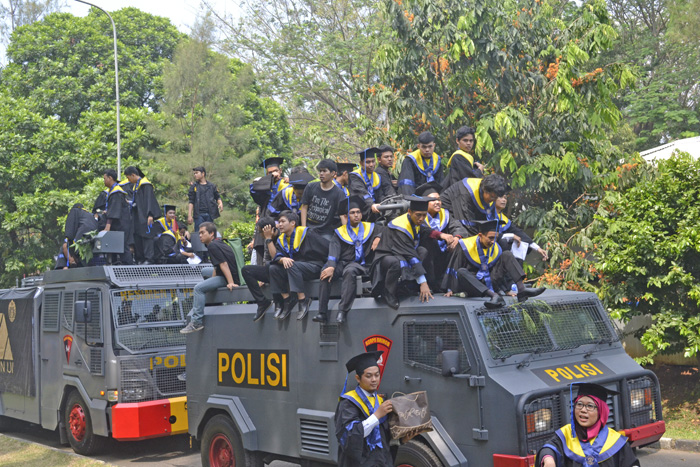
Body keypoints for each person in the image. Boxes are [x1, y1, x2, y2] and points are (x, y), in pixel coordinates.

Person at [370, 195, 454, 309]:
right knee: (395, 262)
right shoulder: (400, 226)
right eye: (418, 215)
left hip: (402, 253)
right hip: (387, 256)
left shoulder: (414, 220)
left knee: (422, 251)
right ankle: (388, 292)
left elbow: (425, 230)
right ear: (409, 211)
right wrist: (423, 282)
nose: (421, 219)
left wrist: (442, 235)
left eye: (424, 215)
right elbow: (410, 255)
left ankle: (409, 286)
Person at [443, 220, 545, 308]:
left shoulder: (496, 247)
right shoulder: (465, 245)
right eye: (490, 238)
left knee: (507, 254)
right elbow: (455, 266)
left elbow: (501, 271)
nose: (493, 241)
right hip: (474, 286)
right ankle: (494, 296)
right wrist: (450, 288)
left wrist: (506, 290)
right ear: (480, 235)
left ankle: (522, 290)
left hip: (491, 282)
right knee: (461, 272)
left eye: (495, 238)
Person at [314, 196, 383, 324]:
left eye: (358, 212)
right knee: (325, 271)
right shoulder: (339, 232)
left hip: (362, 264)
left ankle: (342, 311)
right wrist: (331, 267)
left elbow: (386, 230)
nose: (356, 215)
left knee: (350, 271)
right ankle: (322, 312)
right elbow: (333, 251)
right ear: (346, 216)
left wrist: (379, 237)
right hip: (343, 263)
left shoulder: (371, 227)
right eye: (352, 213)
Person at [535, 383, 640, 467]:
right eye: (579, 404)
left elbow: (631, 463)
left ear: (601, 411)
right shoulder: (566, 435)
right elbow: (549, 448)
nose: (583, 410)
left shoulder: (615, 441)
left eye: (590, 406)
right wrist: (548, 459)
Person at [335, 351, 395, 467]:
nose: (374, 379)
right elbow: (350, 437)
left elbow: (385, 438)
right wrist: (376, 416)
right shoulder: (348, 403)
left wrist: (402, 439)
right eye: (369, 376)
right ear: (358, 378)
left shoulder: (380, 401)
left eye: (377, 375)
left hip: (380, 462)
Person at [269, 210, 329, 321]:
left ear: (292, 223)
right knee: (273, 268)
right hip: (296, 270)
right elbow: (276, 257)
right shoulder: (281, 239)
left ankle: (302, 300)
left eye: (282, 221)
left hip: (314, 267)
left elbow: (326, 249)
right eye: (279, 222)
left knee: (292, 264)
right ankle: (287, 300)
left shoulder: (307, 233)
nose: (279, 225)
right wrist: (282, 258)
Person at [181, 222, 240, 333]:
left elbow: (224, 264)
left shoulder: (213, 246)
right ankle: (214, 300)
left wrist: (231, 282)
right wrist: (212, 282)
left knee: (198, 289)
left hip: (228, 277)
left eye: (203, 233)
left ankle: (196, 322)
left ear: (212, 233)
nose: (200, 236)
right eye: (199, 233)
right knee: (204, 271)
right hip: (225, 274)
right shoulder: (218, 243)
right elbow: (217, 267)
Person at [415, 183, 467, 291]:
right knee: (431, 241)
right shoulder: (419, 216)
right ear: (424, 202)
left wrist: (456, 238)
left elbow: (458, 227)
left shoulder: (445, 214)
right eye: (433, 200)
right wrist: (442, 236)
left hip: (443, 253)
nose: (438, 202)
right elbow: (425, 232)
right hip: (426, 254)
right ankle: (429, 283)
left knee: (460, 245)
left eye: (439, 199)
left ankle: (449, 283)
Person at [242, 217, 284, 322]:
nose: (261, 235)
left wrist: (269, 239)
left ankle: (280, 303)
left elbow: (275, 258)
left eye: (262, 232)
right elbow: (266, 259)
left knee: (272, 266)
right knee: (246, 270)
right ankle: (262, 303)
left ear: (269, 229)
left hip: (283, 271)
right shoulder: (266, 239)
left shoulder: (281, 236)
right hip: (271, 270)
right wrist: (261, 277)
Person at [440, 174, 508, 235]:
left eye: (496, 198)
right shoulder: (466, 192)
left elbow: (490, 221)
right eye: (492, 197)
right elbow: (466, 224)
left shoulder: (490, 192)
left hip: (467, 219)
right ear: (485, 190)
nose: (493, 200)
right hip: (447, 217)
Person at [250, 157, 289, 263]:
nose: (274, 174)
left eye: (276, 171)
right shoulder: (264, 187)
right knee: (262, 256)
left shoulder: (286, 185)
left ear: (280, 171)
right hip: (265, 224)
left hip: (281, 226)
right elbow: (253, 191)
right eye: (270, 172)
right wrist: (267, 180)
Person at [494, 195, 548, 265]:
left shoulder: (504, 219)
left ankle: (516, 273)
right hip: (489, 249)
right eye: (501, 197)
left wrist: (538, 248)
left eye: (505, 198)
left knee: (521, 244)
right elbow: (490, 234)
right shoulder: (485, 215)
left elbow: (519, 233)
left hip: (501, 251)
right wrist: (512, 235)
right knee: (503, 241)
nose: (504, 200)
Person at [124, 166, 162, 264]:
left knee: (147, 237)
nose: (128, 180)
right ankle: (139, 258)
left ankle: (149, 259)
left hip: (145, 216)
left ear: (133, 175)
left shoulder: (146, 185)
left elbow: (149, 200)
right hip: (138, 216)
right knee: (138, 236)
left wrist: (150, 214)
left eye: (128, 177)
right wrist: (130, 202)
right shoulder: (136, 185)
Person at [301, 159, 346, 240]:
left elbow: (342, 215)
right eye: (320, 171)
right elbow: (304, 207)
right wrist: (303, 228)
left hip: (326, 232)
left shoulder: (339, 193)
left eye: (325, 171)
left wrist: (346, 235)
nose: (321, 174)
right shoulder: (310, 187)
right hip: (309, 228)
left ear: (333, 173)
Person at [101, 169, 133, 265]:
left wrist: (107, 227)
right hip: (121, 224)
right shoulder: (113, 191)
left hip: (121, 224)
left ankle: (129, 269)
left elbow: (114, 212)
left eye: (105, 178)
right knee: (119, 246)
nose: (104, 181)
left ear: (110, 178)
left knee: (123, 247)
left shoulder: (116, 192)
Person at [398, 131, 444, 196]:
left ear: (434, 145)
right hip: (417, 197)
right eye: (424, 147)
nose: (427, 150)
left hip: (434, 196)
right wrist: (411, 201)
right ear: (418, 146)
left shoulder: (437, 160)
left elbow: (441, 183)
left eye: (430, 146)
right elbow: (407, 184)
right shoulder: (410, 160)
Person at [348, 148, 385, 221]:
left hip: (375, 209)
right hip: (361, 210)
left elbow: (380, 194)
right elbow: (361, 193)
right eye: (368, 162)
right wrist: (371, 204)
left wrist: (384, 204)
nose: (371, 165)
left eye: (373, 161)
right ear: (361, 163)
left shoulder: (377, 176)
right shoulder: (354, 176)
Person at [63, 202, 99, 267]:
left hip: (82, 240)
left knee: (82, 261)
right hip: (95, 240)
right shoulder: (90, 215)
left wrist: (72, 255)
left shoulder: (74, 211)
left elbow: (70, 233)